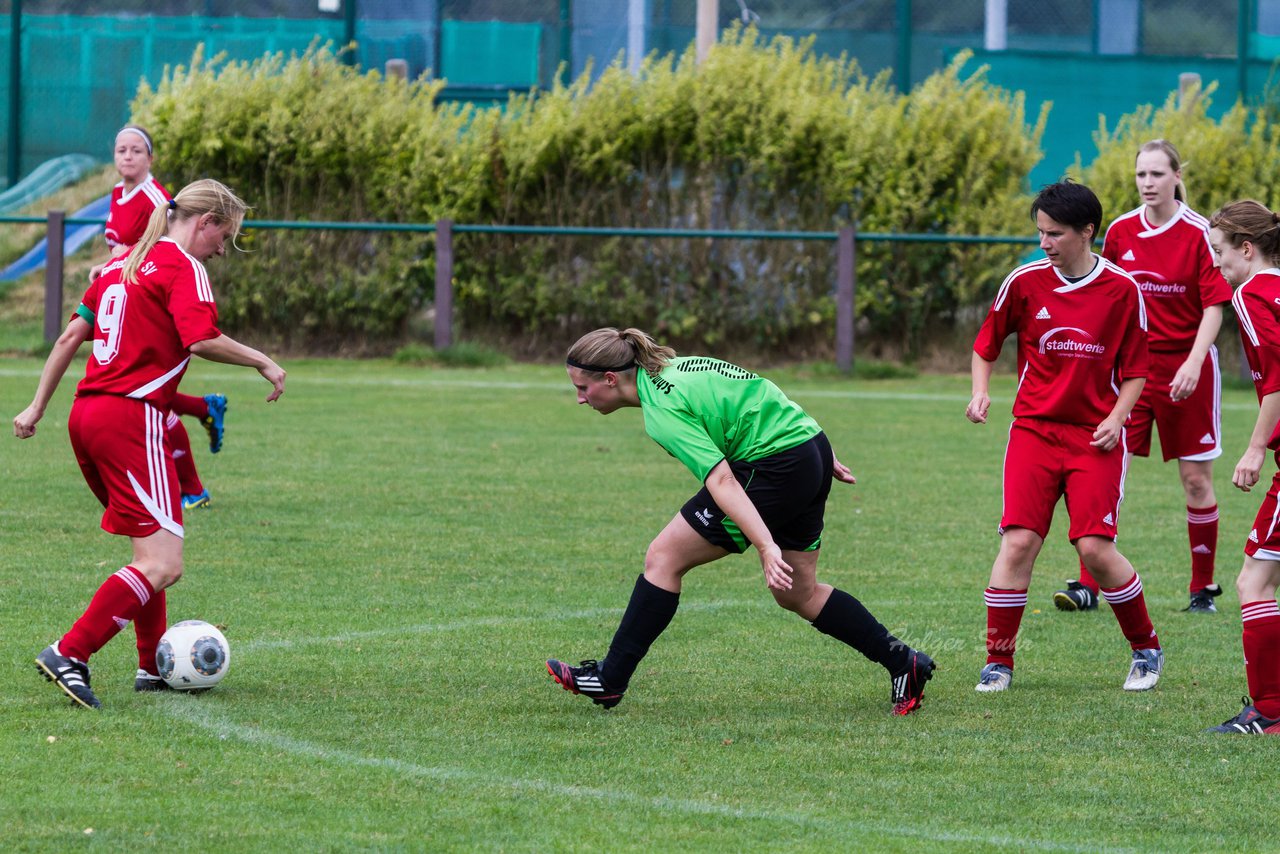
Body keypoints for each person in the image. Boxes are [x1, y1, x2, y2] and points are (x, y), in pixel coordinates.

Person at [545, 328, 936, 716]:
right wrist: (816, 451)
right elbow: (763, 391)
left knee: (663, 558)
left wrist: (766, 546)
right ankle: (905, 663)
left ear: (610, 379)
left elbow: (721, 480)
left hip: (776, 466)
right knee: (798, 592)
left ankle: (610, 679)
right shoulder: (677, 367)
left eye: (582, 388)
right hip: (806, 447)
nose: (580, 399)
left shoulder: (661, 409)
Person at [15, 178, 286, 709]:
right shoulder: (184, 268)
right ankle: (69, 652)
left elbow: (70, 338)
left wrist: (36, 407)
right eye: (223, 236)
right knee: (164, 563)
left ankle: (149, 668)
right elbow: (202, 339)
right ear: (204, 222)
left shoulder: (120, 267)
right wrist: (262, 359)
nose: (220, 248)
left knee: (148, 548)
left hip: (87, 416)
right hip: (131, 418)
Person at [966, 180, 1164, 693]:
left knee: (1095, 548)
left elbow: (1138, 370)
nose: (1045, 243)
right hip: (1033, 431)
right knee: (1018, 543)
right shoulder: (1025, 282)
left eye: (1054, 234)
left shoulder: (1123, 290)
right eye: (1040, 233)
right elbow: (986, 344)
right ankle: (999, 662)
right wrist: (980, 392)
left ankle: (1146, 649)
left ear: (1087, 232)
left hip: (1094, 437)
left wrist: (1117, 418)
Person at [1053, 140, 1232, 615]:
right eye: (1141, 175)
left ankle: (1203, 588)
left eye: (1157, 174)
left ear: (1177, 176)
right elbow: (1104, 298)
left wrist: (1194, 362)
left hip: (1185, 371)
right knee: (1101, 467)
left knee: (1195, 480)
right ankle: (1087, 583)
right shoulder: (1121, 231)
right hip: (1129, 373)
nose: (1148, 183)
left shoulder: (1198, 233)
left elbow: (1215, 304)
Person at [96, 124, 229, 511]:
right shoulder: (119, 194)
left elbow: (163, 244)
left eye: (136, 150)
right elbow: (123, 247)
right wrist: (103, 268)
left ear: (150, 158)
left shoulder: (157, 197)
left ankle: (191, 486)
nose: (127, 156)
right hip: (129, 290)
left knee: (149, 397)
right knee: (147, 394)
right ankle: (205, 413)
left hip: (154, 296)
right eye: (121, 149)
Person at [1204, 200, 1280, 733]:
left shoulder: (1252, 296)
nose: (1216, 265)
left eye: (1219, 252)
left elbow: (1278, 380)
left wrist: (1255, 448)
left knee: (1254, 582)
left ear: (1246, 249)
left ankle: (1270, 711)